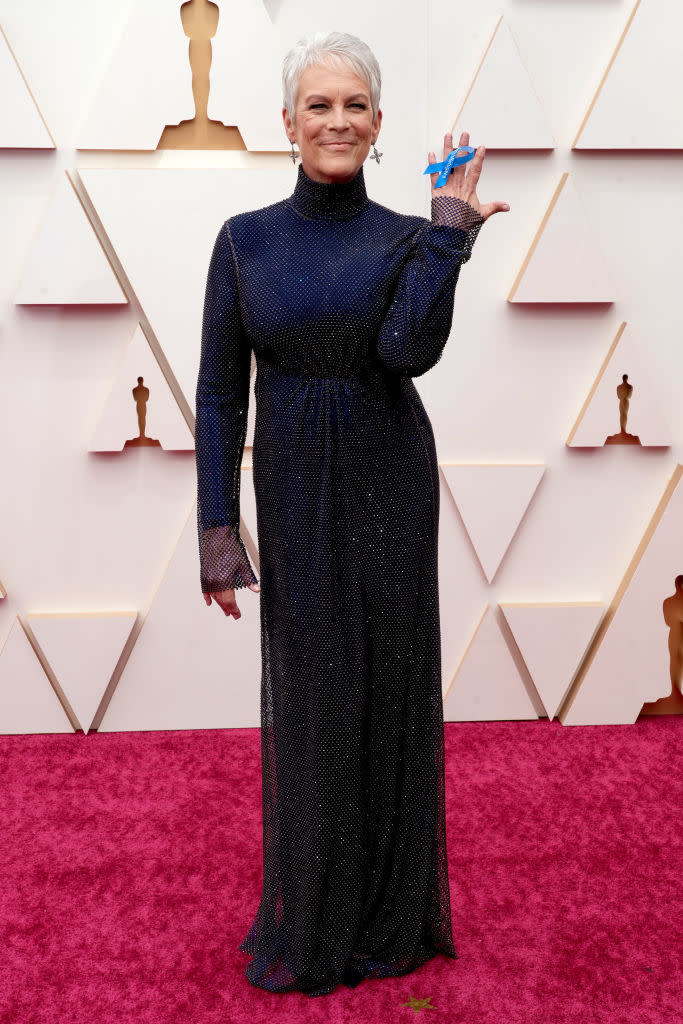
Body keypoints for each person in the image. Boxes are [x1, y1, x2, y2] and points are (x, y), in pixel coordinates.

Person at [194, 30, 509, 997]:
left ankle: (386, 910)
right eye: (319, 106)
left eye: (355, 106)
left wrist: (448, 234)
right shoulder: (245, 240)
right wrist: (217, 527)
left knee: (386, 684)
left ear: (379, 127)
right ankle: (319, 909)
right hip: (292, 484)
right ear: (287, 123)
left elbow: (407, 353)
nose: (337, 121)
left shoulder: (409, 237)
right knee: (315, 689)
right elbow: (218, 392)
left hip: (389, 480)